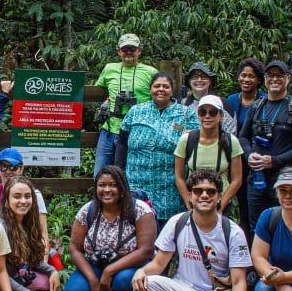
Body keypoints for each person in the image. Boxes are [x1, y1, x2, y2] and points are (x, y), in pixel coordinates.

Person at [131, 169, 251, 291]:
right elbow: (159, 263)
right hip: (183, 290)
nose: (204, 195)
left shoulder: (232, 232)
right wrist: (141, 271)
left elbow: (238, 282)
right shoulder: (177, 222)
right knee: (143, 283)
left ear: (219, 196)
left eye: (211, 191)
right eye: (198, 191)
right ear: (190, 195)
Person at [63, 165, 156, 291]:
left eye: (113, 185)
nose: (107, 190)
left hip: (132, 266)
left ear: (122, 188)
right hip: (97, 264)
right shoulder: (88, 211)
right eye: (102, 185)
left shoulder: (140, 210)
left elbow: (146, 250)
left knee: (122, 281)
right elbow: (75, 248)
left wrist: (109, 272)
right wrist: (93, 280)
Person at [238, 59, 292, 236]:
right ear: (264, 78)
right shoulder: (257, 106)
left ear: (288, 78)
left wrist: (275, 161)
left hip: (285, 180)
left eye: (279, 75)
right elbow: (243, 136)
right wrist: (249, 155)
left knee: (284, 224)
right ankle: (259, 263)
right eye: (271, 75)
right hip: (256, 177)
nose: (275, 79)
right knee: (257, 226)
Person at [114, 72, 199, 220]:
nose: (161, 89)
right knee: (136, 224)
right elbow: (122, 143)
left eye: (165, 86)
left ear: (172, 91)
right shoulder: (136, 111)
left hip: (170, 188)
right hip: (136, 183)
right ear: (150, 89)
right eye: (156, 86)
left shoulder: (186, 114)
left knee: (168, 230)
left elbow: (197, 144)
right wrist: (119, 172)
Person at [0, 177, 60, 291]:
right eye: (17, 196)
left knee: (47, 280)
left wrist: (52, 271)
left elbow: (34, 260)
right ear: (7, 200)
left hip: (15, 276)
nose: (23, 201)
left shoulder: (29, 223)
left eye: (27, 196)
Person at [93, 33, 158, 176]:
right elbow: (97, 91)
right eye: (125, 49)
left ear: (139, 51)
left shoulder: (150, 72)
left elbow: (160, 97)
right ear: (118, 51)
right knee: (100, 172)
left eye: (132, 49)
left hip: (138, 130)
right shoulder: (109, 68)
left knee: (132, 173)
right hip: (110, 128)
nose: (128, 52)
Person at [174, 94, 244, 218]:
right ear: (198, 115)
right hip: (195, 201)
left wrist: (220, 206)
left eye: (212, 112)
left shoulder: (231, 141)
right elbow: (179, 176)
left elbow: (237, 179)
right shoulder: (187, 140)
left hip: (221, 200)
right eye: (202, 112)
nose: (207, 116)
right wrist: (189, 203)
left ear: (221, 115)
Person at [0, 147, 50, 253]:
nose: (8, 171)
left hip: (29, 250)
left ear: (21, 169)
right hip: (1, 251)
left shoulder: (34, 195)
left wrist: (44, 264)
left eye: (13, 167)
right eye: (3, 167)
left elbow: (43, 235)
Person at [228, 58, 265, 226]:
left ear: (258, 79)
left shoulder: (264, 101)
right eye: (243, 75)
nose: (246, 80)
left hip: (256, 160)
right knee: (240, 206)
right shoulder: (232, 100)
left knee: (255, 208)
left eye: (251, 76)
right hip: (234, 161)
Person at [180, 61, 237, 134]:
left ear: (210, 81)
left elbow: (231, 133)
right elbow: (177, 130)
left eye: (203, 77)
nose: (199, 80)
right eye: (195, 77)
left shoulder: (222, 104)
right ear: (189, 81)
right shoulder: (182, 105)